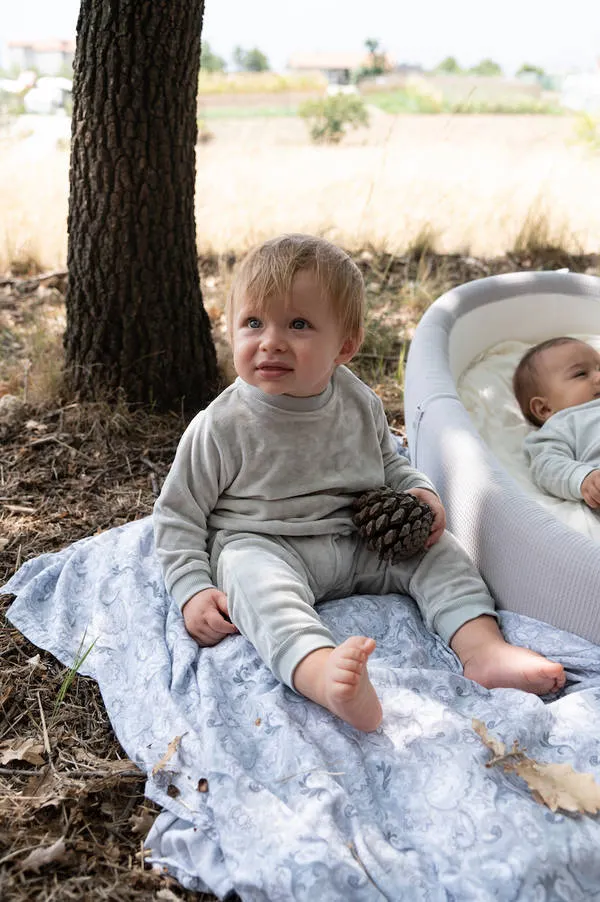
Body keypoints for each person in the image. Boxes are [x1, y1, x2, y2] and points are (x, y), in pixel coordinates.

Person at [154, 234, 565, 732]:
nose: (271, 341)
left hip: (360, 536)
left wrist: (419, 492)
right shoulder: (222, 425)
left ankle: (483, 650)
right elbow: (178, 514)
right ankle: (322, 673)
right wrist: (193, 589)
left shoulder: (357, 400)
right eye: (253, 323)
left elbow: (389, 462)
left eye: (298, 324)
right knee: (249, 579)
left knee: (440, 552)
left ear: (344, 346)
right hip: (269, 544)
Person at [513, 336, 600, 509]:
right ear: (544, 409)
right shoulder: (561, 425)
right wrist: (584, 478)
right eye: (581, 374)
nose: (598, 376)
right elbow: (547, 465)